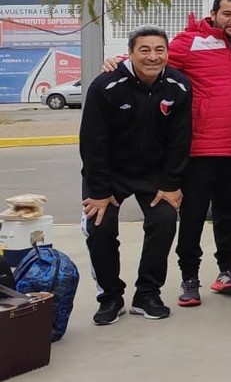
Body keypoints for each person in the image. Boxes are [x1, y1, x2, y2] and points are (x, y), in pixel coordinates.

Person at [82, 26, 193, 325]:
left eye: (159, 50)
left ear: (167, 53)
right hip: (110, 173)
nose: (153, 56)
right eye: (144, 50)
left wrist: (171, 184)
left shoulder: (178, 86)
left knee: (165, 220)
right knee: (100, 226)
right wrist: (99, 190)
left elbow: (180, 140)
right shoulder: (105, 86)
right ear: (130, 53)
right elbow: (93, 142)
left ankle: (147, 293)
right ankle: (110, 297)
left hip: (155, 173)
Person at [168, 0, 231, 308]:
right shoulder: (189, 41)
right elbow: (150, 61)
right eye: (228, 14)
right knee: (192, 217)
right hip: (199, 149)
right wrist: (116, 62)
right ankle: (189, 278)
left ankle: (227, 270)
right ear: (214, 13)